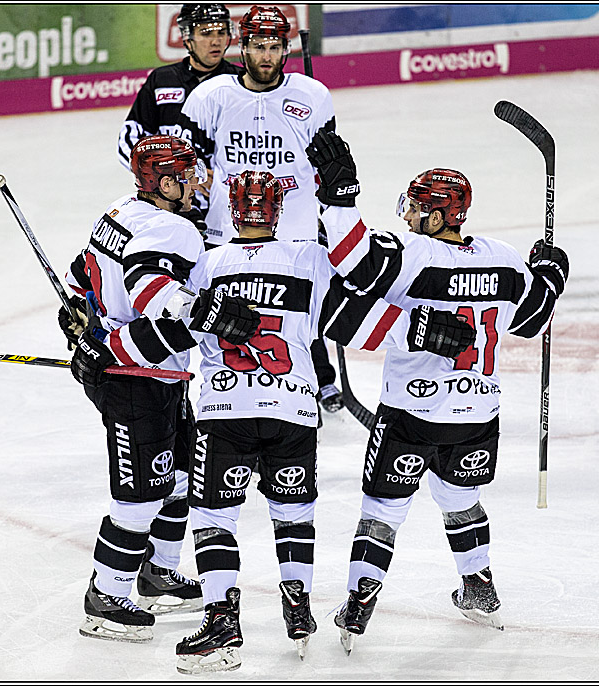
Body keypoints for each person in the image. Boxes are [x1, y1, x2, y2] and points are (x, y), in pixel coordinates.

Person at [172, 170, 476, 674]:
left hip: (225, 412)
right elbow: (352, 318)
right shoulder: (308, 258)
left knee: (213, 520)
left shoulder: (207, 263)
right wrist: (421, 330)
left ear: (230, 207)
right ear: (277, 210)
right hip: (293, 411)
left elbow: (177, 328)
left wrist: (115, 351)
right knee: (293, 515)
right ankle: (298, 611)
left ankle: (222, 622)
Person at [306, 130, 570, 650]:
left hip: (411, 413)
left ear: (435, 215)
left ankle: (360, 601)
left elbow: (355, 262)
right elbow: (536, 316)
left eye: (415, 208)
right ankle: (479, 587)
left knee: (383, 509)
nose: (406, 215)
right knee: (462, 498)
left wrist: (338, 200)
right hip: (476, 414)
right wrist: (551, 273)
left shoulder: (412, 254)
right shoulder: (504, 258)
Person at [58, 134, 260, 643]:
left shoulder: (120, 211)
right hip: (133, 377)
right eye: (189, 175)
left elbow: (79, 274)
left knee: (183, 476)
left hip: (154, 371)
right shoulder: (174, 229)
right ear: (166, 183)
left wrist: (78, 319)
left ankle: (157, 573)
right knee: (140, 496)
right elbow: (154, 297)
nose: (198, 184)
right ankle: (106, 597)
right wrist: (210, 313)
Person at [176, 4, 344, 413]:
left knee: (301, 314)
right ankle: (225, 384)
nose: (266, 55)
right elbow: (186, 156)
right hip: (227, 230)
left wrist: (330, 203)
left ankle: (308, 384)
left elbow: (330, 162)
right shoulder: (210, 96)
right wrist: (197, 184)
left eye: (274, 46)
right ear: (243, 46)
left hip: (295, 230)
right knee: (223, 313)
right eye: (257, 46)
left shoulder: (313, 96)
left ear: (285, 49)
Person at [117, 4, 240, 239]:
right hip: (169, 202)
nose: (216, 41)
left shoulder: (239, 83)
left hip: (227, 208)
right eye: (206, 33)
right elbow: (129, 139)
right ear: (187, 37)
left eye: (221, 32)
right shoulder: (161, 80)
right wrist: (167, 176)